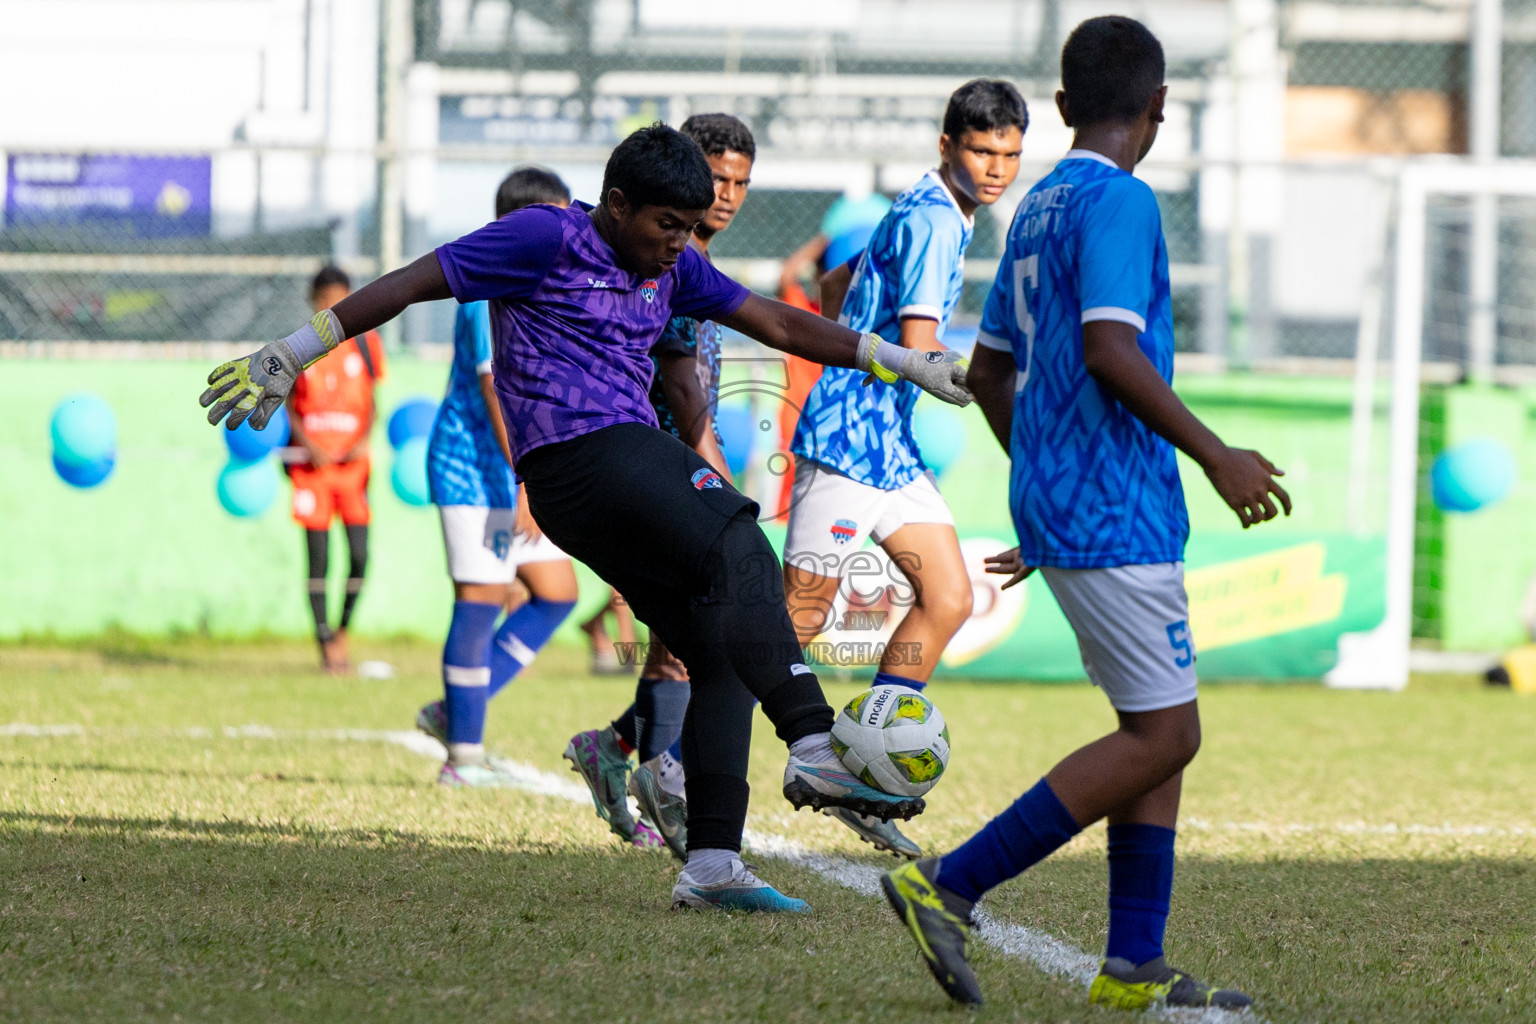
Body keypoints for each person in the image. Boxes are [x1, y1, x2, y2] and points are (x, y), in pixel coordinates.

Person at [201, 123, 971, 913]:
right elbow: (408, 283)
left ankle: (711, 864)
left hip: (602, 479)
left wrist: (903, 359)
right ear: (616, 203)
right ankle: (814, 743)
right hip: (582, 457)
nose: (678, 243)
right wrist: (294, 350)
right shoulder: (544, 236)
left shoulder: (675, 266)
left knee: (718, 641)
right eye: (665, 224)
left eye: (688, 225)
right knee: (742, 540)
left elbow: (776, 321)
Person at [880, 18, 1289, 1009]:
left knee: (1156, 723)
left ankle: (1133, 962)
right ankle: (949, 880)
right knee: (1165, 735)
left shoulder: (1037, 206)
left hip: (1079, 498)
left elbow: (986, 371)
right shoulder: (1120, 202)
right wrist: (1217, 454)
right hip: (1120, 504)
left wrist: (1047, 481)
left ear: (1061, 110)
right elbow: (1111, 348)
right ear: (1159, 108)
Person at [783, 79, 1027, 858]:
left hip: (887, 445)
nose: (997, 168)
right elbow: (921, 346)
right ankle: (659, 748)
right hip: (849, 444)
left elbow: (832, 286)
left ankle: (864, 760)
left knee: (949, 595)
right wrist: (968, 379)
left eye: (1010, 154)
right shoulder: (936, 223)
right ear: (947, 144)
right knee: (795, 621)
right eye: (983, 151)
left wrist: (856, 350)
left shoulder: (926, 205)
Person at [563, 113, 755, 863]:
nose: (727, 195)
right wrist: (702, 454)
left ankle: (619, 750)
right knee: (700, 635)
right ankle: (667, 780)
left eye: (740, 181)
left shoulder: (689, 256)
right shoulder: (652, 253)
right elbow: (668, 373)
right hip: (645, 460)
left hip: (677, 455)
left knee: (682, 641)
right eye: (717, 180)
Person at [412, 166, 582, 789]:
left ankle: (454, 711)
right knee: (480, 601)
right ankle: (463, 759)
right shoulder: (489, 285)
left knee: (557, 592)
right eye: (562, 216)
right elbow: (494, 389)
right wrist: (526, 480)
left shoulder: (529, 278)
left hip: (507, 472)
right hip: (477, 471)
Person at [284, 265, 385, 673]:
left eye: (340, 299)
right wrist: (307, 444)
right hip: (313, 471)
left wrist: (364, 438)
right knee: (319, 560)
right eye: (325, 301)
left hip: (353, 470)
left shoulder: (364, 343)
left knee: (360, 556)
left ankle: (343, 628)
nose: (333, 308)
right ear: (313, 302)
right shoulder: (299, 347)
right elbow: (287, 405)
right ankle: (324, 639)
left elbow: (374, 399)